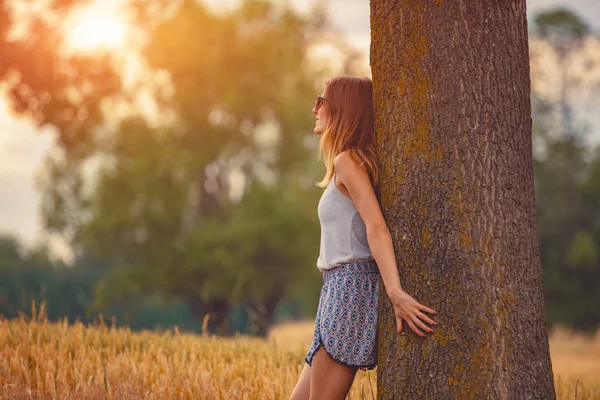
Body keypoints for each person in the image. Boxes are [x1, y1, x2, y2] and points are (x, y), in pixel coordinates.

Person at [289, 76, 438, 400]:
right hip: (335, 289)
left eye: (321, 101)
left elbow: (376, 227)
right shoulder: (346, 162)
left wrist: (395, 291)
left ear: (341, 109)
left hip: (350, 290)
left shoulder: (348, 161)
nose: (314, 108)